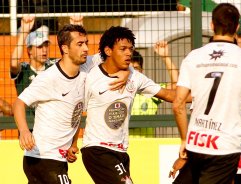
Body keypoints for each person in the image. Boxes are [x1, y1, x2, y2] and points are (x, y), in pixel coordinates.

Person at [12, 24, 128, 184]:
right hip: (42, 158)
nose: (86, 48)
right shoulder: (49, 78)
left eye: (86, 43)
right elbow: (19, 103)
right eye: (80, 44)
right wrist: (24, 131)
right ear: (65, 48)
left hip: (58, 159)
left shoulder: (86, 69)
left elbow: (115, 57)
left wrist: (126, 72)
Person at [172, 3, 241, 184]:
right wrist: (225, 119)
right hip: (225, 147)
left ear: (211, 25)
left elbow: (178, 103)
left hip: (196, 142)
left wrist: (183, 139)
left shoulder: (193, 56)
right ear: (236, 27)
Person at [80, 26, 178, 184]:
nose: (128, 53)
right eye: (123, 49)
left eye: (130, 49)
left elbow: (169, 94)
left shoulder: (135, 77)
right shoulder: (90, 74)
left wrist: (202, 96)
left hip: (121, 151)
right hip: (97, 149)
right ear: (108, 50)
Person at [130, 41, 178, 137]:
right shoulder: (115, 90)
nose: (133, 72)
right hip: (121, 148)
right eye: (130, 69)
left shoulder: (149, 89)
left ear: (141, 70)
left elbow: (177, 86)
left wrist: (165, 57)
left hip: (147, 148)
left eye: (136, 68)